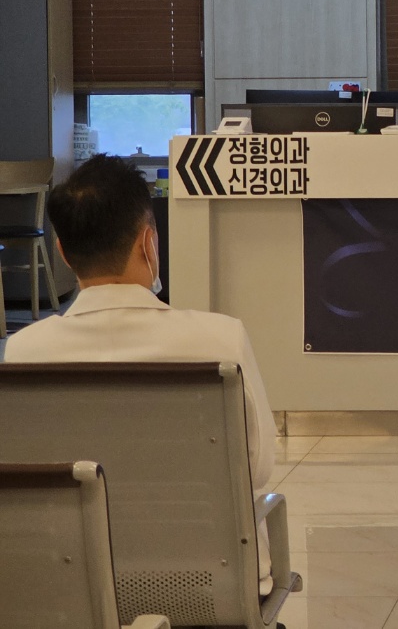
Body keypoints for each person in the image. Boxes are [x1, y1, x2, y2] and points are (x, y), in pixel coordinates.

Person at [3, 154, 277, 592]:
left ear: (63, 253)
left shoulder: (23, 352)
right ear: (149, 243)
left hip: (76, 590)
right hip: (214, 587)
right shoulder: (221, 340)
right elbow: (258, 468)